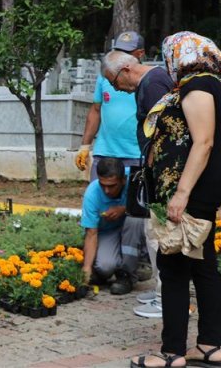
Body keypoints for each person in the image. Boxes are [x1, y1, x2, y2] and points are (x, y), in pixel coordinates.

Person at [129, 32, 221, 368]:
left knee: (174, 268)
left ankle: (171, 353)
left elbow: (204, 142)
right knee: (203, 266)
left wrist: (181, 193)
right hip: (199, 189)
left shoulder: (198, 85)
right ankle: (210, 345)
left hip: (190, 192)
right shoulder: (210, 83)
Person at [102, 46, 175, 318]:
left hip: (163, 176)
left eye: (114, 82)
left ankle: (166, 298)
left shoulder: (153, 83)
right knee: (152, 232)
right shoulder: (148, 83)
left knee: (160, 236)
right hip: (156, 173)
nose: (116, 89)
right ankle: (160, 291)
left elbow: (164, 132)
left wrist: (154, 168)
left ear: (125, 70)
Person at [75, 31, 145, 181]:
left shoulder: (148, 80)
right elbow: (96, 110)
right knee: (100, 193)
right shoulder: (105, 77)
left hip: (136, 154)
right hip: (104, 153)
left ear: (140, 54)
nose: (120, 56)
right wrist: (85, 146)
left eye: (126, 52)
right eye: (118, 51)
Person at [80, 157, 145, 295]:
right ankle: (123, 264)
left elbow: (147, 208)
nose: (106, 191)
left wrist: (124, 209)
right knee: (105, 267)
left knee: (135, 219)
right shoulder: (92, 194)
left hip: (132, 229)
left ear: (123, 180)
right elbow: (91, 233)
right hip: (108, 232)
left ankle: (127, 275)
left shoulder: (135, 180)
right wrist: (86, 269)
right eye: (102, 185)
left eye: (112, 186)